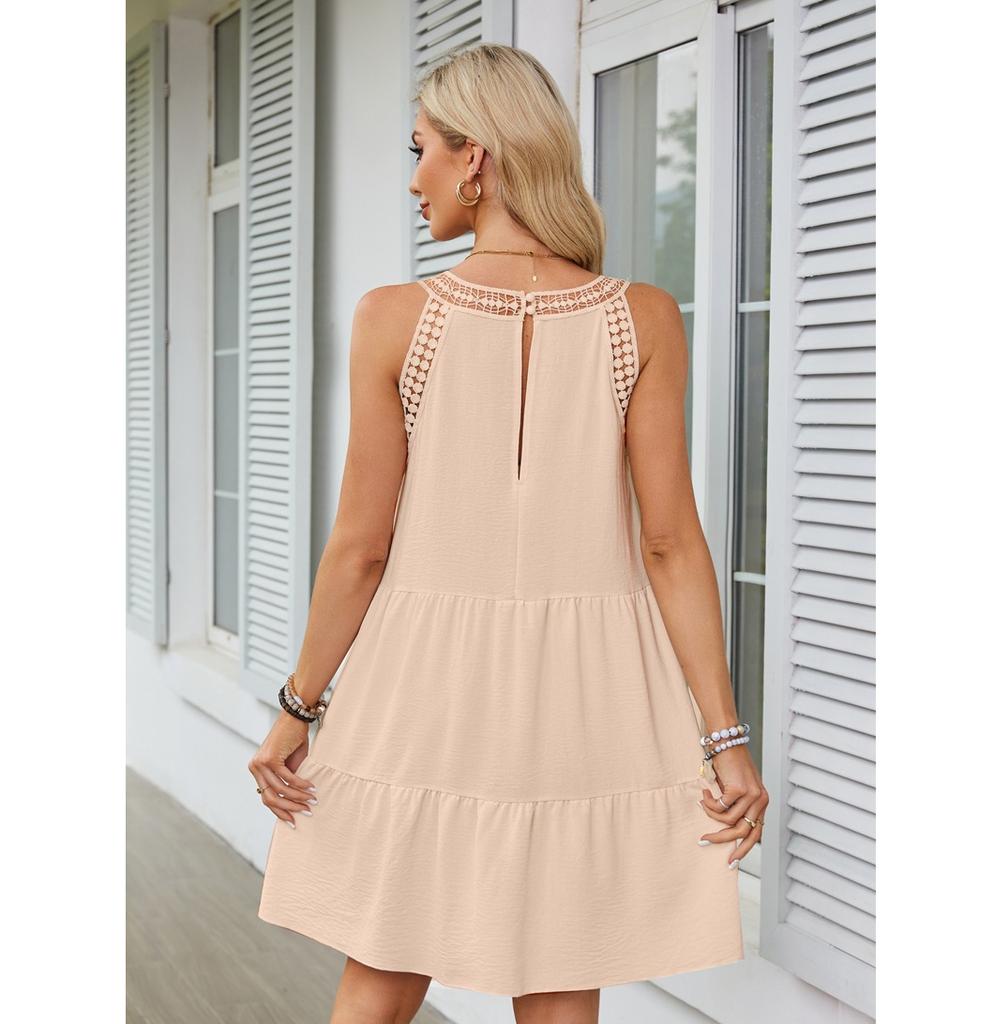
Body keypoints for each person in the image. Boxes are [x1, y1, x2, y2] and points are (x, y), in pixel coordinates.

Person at [249, 42, 769, 1024]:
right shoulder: (645, 317)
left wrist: (296, 708)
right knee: (560, 973)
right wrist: (725, 738)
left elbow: (360, 547)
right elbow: (670, 545)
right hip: (587, 696)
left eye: (421, 150)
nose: (414, 178)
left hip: (423, 688)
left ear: (475, 159)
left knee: (384, 967)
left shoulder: (390, 318)